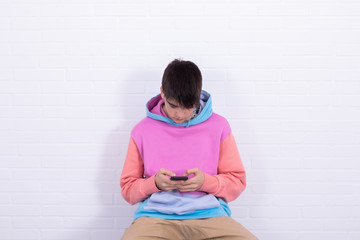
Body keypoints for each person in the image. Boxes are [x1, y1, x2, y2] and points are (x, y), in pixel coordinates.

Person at [120, 59, 258, 240]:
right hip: (155, 218)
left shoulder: (219, 126)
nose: (179, 115)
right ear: (162, 92)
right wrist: (154, 184)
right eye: (173, 105)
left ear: (197, 97)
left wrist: (205, 182)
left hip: (210, 216)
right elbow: (128, 190)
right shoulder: (142, 130)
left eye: (188, 108)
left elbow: (237, 183)